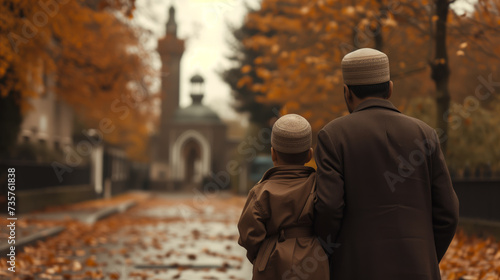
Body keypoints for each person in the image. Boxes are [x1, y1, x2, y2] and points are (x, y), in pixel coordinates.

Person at [314, 48, 459, 280]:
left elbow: (329, 208)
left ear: (346, 92)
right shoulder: (425, 133)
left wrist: (333, 256)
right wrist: (425, 256)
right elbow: (448, 212)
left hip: (355, 269)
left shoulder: (333, 135)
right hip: (418, 267)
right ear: (390, 88)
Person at [238, 114, 329, 280]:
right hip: (313, 261)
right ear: (309, 155)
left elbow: (249, 235)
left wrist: (263, 255)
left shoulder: (260, 191)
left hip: (271, 263)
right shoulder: (320, 186)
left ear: (273, 154)